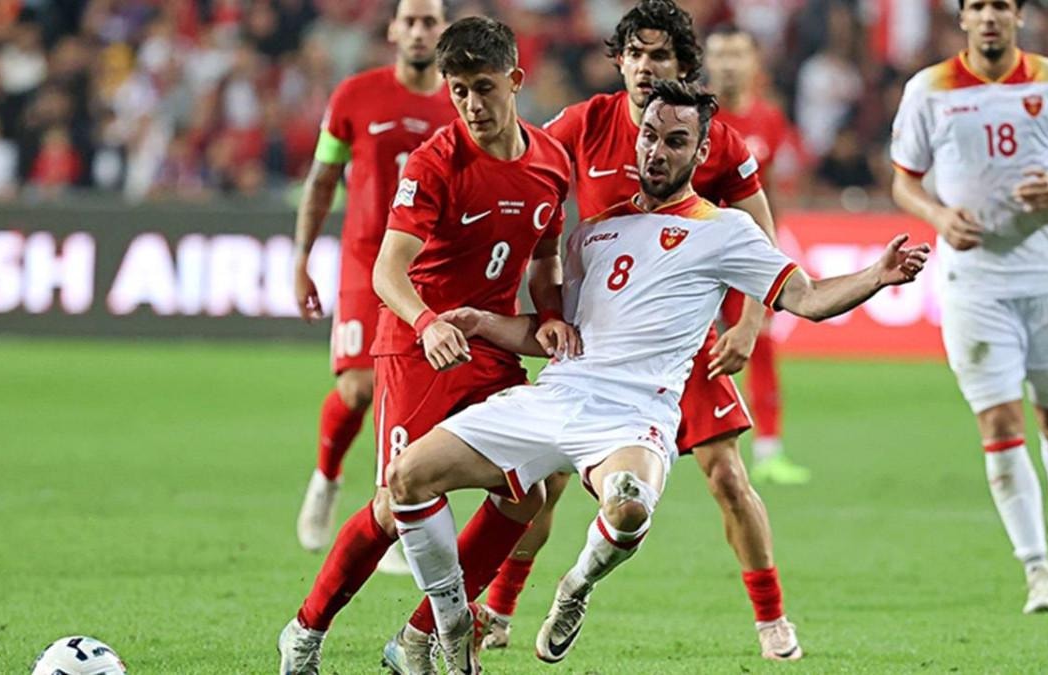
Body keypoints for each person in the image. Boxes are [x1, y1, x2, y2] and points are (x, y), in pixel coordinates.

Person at [385, 79, 930, 673]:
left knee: (628, 508)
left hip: (635, 414)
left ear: (700, 152)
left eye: (675, 141)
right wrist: (484, 322)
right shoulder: (593, 234)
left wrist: (875, 277)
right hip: (557, 394)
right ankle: (442, 624)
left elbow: (808, 296)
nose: (657, 151)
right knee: (407, 477)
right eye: (649, 136)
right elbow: (556, 335)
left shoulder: (726, 230)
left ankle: (575, 586)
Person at [478, 0, 800, 660]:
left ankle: (772, 621)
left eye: (661, 55)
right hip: (596, 344)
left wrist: (748, 323)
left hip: (679, 346)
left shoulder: (710, 136)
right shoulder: (584, 123)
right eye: (636, 53)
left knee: (727, 477)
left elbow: (764, 239)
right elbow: (529, 174)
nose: (647, 66)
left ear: (683, 66)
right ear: (619, 60)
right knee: (543, 482)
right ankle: (500, 609)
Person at [279, 16, 574, 675]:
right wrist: (426, 323)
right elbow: (388, 271)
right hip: (417, 349)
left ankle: (419, 635)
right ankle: (305, 630)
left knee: (531, 491)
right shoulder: (435, 161)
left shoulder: (552, 163)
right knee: (394, 507)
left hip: (489, 348)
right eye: (458, 89)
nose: (470, 103)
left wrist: (551, 314)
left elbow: (546, 256)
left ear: (515, 80)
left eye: (483, 87)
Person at [891, 0, 1048, 614]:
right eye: (978, 6)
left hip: (1043, 275)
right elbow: (904, 180)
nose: (989, 16)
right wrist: (938, 216)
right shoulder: (929, 89)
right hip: (971, 282)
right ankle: (1037, 567)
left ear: (1019, 16)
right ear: (962, 18)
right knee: (997, 422)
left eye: (1001, 6)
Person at [291, 0, 456, 572]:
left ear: (443, 31)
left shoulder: (461, 102)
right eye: (410, 21)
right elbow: (322, 179)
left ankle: (394, 513)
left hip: (432, 266)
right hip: (367, 261)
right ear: (392, 30)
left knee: (414, 397)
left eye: (429, 21)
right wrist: (302, 256)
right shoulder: (354, 97)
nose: (418, 31)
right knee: (360, 387)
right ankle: (326, 476)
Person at [704, 23, 810, 485]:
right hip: (694, 256)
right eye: (720, 55)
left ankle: (769, 451)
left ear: (753, 63)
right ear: (706, 62)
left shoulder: (769, 118)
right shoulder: (691, 115)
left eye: (737, 54)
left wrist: (772, 245)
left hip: (744, 256)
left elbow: (768, 193)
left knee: (759, 343)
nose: (728, 64)